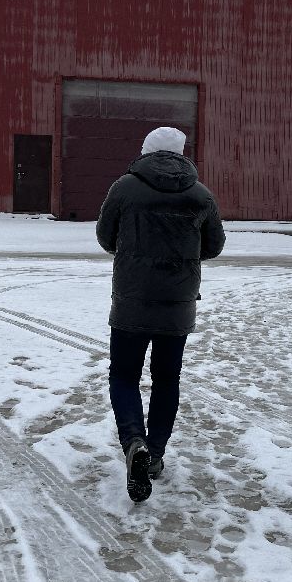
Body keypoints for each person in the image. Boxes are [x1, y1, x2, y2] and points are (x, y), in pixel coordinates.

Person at [95, 126, 225, 502]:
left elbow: (105, 236)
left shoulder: (124, 188)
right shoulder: (200, 194)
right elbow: (214, 245)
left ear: (146, 151)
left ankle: (134, 441)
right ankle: (154, 454)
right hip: (177, 303)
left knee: (124, 375)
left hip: (131, 300)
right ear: (181, 154)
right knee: (167, 379)